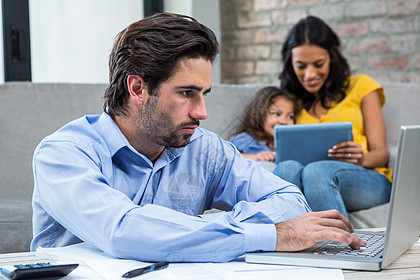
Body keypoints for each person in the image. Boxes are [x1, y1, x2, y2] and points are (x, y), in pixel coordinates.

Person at [31, 13, 365, 263]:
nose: (202, 112)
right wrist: (267, 234)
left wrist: (213, 230)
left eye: (203, 93)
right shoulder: (63, 155)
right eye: (187, 93)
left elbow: (289, 201)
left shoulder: (204, 149)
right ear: (137, 89)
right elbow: (122, 232)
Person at [279, 15, 393, 218]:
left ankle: (338, 247)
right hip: (311, 181)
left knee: (317, 171)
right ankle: (282, 244)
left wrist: (361, 158)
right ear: (290, 63)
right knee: (286, 169)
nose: (310, 74)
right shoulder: (289, 101)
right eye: (301, 66)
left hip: (367, 179)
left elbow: (382, 154)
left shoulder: (362, 86)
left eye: (318, 63)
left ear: (333, 56)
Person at [229, 86, 303, 186]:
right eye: (276, 114)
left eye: (290, 117)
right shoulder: (245, 139)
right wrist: (257, 157)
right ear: (260, 114)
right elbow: (228, 158)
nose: (284, 121)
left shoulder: (289, 145)